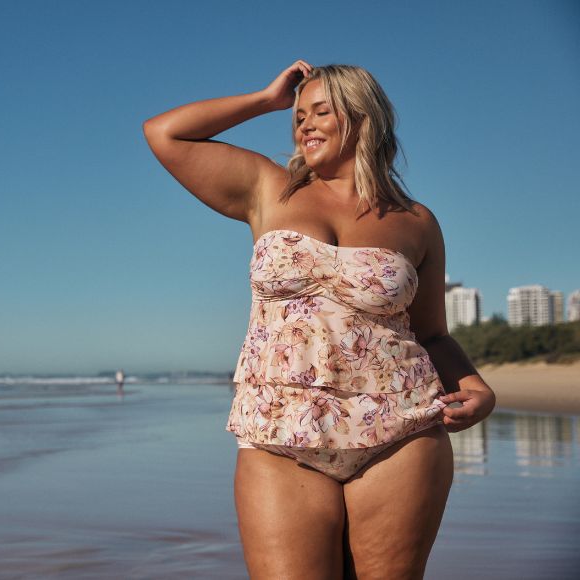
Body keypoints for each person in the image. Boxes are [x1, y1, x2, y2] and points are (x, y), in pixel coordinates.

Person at [142, 60, 496, 579]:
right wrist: (266, 99)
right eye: (297, 117)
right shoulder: (269, 188)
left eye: (320, 112)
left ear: (362, 117)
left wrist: (475, 385)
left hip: (400, 429)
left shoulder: (416, 221)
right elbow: (165, 133)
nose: (303, 124)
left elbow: (432, 334)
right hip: (278, 433)